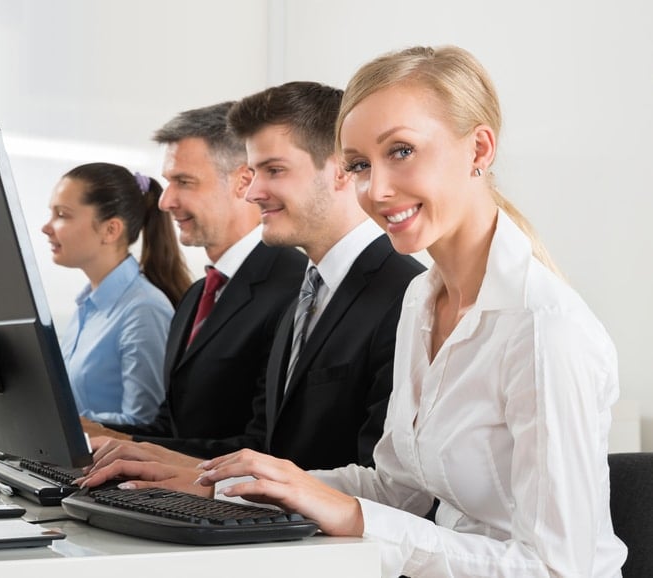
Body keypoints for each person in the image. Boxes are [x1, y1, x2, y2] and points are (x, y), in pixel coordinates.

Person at [101, 46, 626, 577]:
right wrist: (237, 485)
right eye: (358, 164)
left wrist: (352, 515)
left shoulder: (541, 330)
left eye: (401, 151)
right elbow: (398, 488)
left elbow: (559, 569)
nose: (376, 190)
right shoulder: (423, 300)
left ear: (479, 149)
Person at [83, 81, 423, 477]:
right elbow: (264, 448)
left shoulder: (406, 296)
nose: (253, 192)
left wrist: (204, 483)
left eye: (274, 170)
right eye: (255, 172)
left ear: (342, 170)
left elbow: (391, 488)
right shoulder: (307, 292)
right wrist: (142, 455)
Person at [82, 102, 307, 451]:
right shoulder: (197, 294)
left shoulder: (295, 289)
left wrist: (129, 446)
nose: (165, 200)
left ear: (243, 183)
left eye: (183, 182)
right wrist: (93, 432)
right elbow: (171, 426)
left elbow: (261, 446)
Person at [42, 162, 190, 426]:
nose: (47, 227)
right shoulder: (87, 305)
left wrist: (57, 426)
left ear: (110, 230)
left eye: (62, 214)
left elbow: (144, 423)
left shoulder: (144, 310)